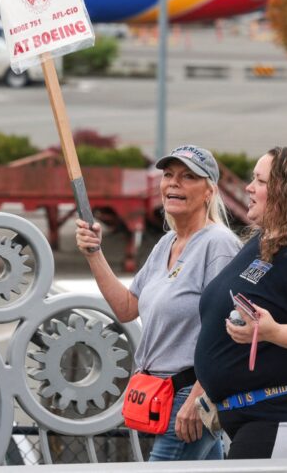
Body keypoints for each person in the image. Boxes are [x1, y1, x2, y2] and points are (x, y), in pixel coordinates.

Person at [75, 145, 240, 461]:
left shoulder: (218, 245)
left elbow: (229, 331)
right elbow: (126, 307)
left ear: (209, 191)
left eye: (188, 177)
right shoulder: (167, 242)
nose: (174, 183)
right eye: (168, 175)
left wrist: (198, 399)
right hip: (160, 397)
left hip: (189, 398)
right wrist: (93, 254)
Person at [195, 147, 287, 458]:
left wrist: (273, 332)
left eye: (259, 181)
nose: (248, 188)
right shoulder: (265, 242)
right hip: (252, 415)